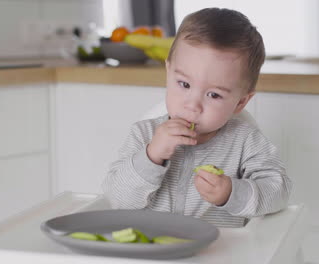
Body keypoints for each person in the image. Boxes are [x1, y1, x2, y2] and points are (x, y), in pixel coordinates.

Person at [102, 8, 292, 227]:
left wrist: (231, 192)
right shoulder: (144, 134)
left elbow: (278, 192)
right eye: (184, 84)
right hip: (152, 253)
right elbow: (116, 199)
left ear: (240, 102)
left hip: (219, 254)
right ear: (168, 73)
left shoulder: (246, 142)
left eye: (214, 95)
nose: (192, 105)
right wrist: (151, 156)